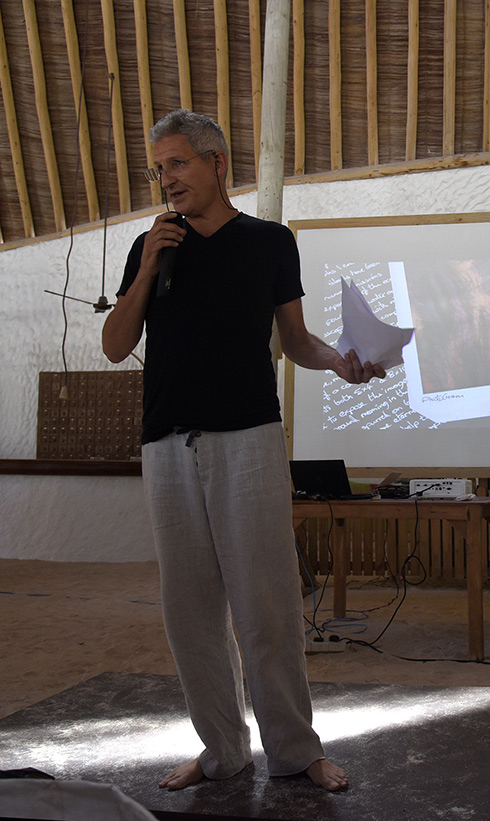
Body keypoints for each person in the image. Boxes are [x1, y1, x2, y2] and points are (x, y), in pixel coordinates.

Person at [102, 109, 385, 792]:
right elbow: (116, 344)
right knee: (189, 610)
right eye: (158, 168)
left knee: (267, 604)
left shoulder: (268, 242)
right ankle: (221, 749)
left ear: (216, 162)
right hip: (167, 444)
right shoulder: (151, 244)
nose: (165, 179)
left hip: (249, 440)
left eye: (177, 163)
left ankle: (294, 749)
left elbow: (295, 338)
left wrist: (341, 361)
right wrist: (146, 267)